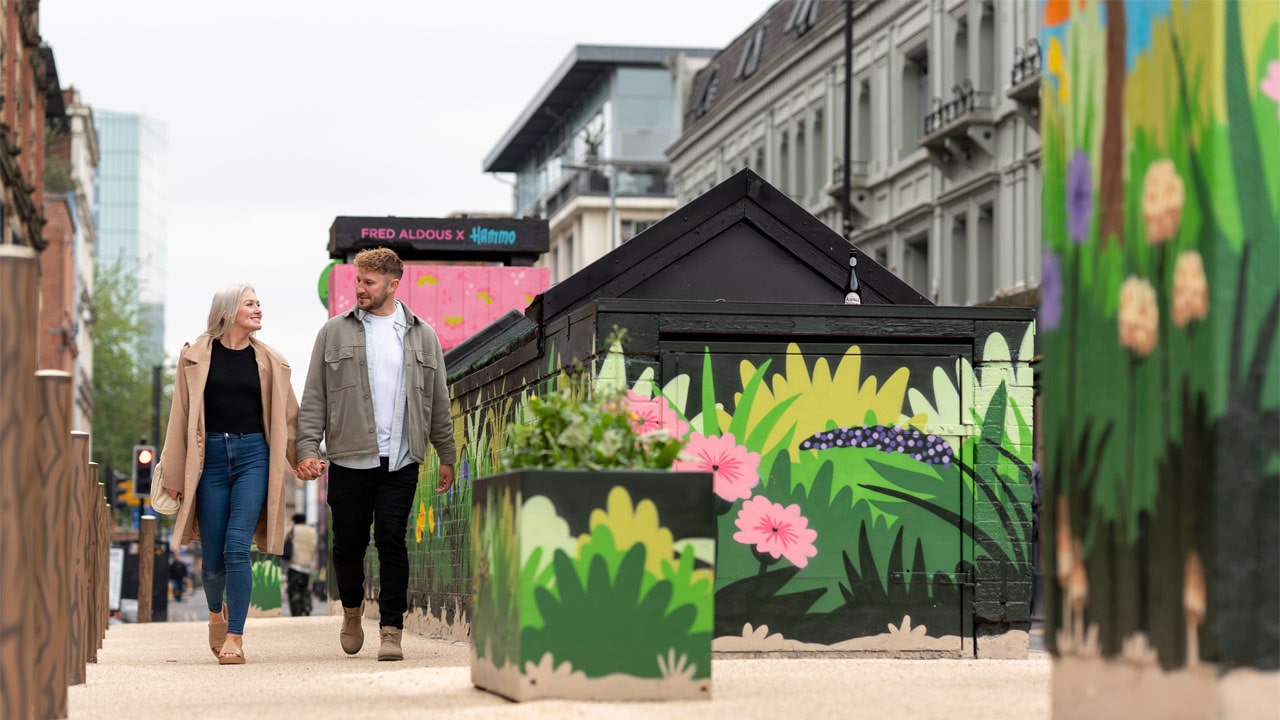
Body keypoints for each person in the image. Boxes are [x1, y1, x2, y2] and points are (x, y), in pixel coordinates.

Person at [295, 247, 456, 662]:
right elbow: (315, 396)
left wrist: (447, 454)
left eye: (368, 282)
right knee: (347, 546)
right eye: (358, 281)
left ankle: (391, 630)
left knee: (391, 541)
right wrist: (308, 447)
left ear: (392, 284)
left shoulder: (423, 335)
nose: (360, 289)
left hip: (401, 459)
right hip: (349, 457)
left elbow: (438, 401)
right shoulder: (334, 332)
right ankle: (351, 611)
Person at [157, 284, 301, 665]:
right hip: (210, 460)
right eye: (249, 303)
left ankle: (235, 636)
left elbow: (289, 418)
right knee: (214, 558)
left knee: (238, 546)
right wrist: (174, 471)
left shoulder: (271, 361)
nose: (258, 309)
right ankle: (215, 615)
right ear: (226, 312)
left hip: (255, 455)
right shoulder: (196, 357)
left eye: (258, 303)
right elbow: (181, 417)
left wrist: (303, 457)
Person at [284, 513, 318, 616]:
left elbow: (283, 540)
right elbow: (314, 546)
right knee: (305, 589)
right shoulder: (312, 531)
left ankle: (297, 613)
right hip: (307, 566)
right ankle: (306, 606)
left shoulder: (291, 529)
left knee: (294, 591)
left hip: (294, 565)